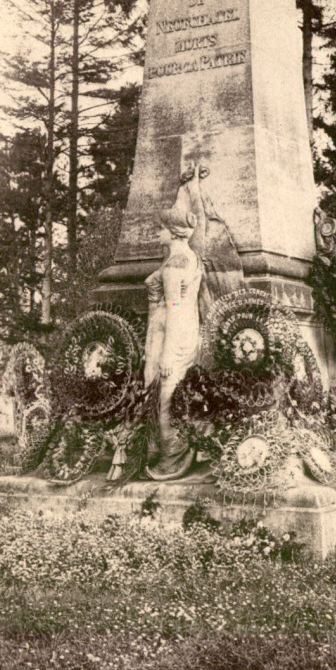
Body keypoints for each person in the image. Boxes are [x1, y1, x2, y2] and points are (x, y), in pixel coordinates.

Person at [143, 204, 203, 479]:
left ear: (174, 233)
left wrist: (166, 354)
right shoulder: (189, 258)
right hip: (183, 332)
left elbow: (174, 307)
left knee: (165, 397)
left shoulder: (174, 267)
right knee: (171, 394)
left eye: (161, 229)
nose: (157, 233)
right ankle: (171, 452)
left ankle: (171, 458)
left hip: (169, 335)